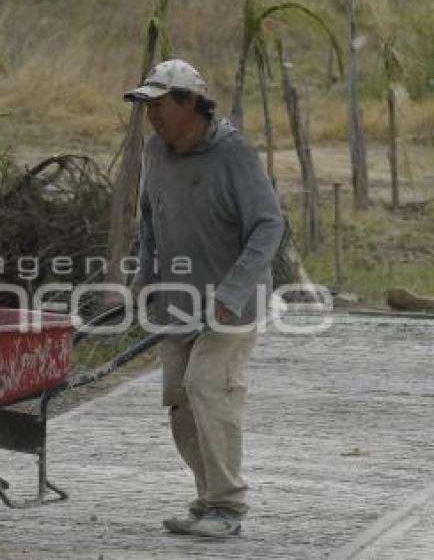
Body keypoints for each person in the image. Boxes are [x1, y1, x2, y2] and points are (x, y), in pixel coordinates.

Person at [124, 59, 284, 538]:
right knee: (181, 402)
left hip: (232, 303)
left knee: (208, 386)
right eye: (147, 106)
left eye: (160, 104)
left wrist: (232, 292)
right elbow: (151, 217)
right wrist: (146, 274)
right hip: (177, 302)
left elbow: (268, 225)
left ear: (192, 102)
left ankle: (229, 508)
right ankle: (209, 499)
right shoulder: (157, 151)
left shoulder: (233, 153)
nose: (152, 115)